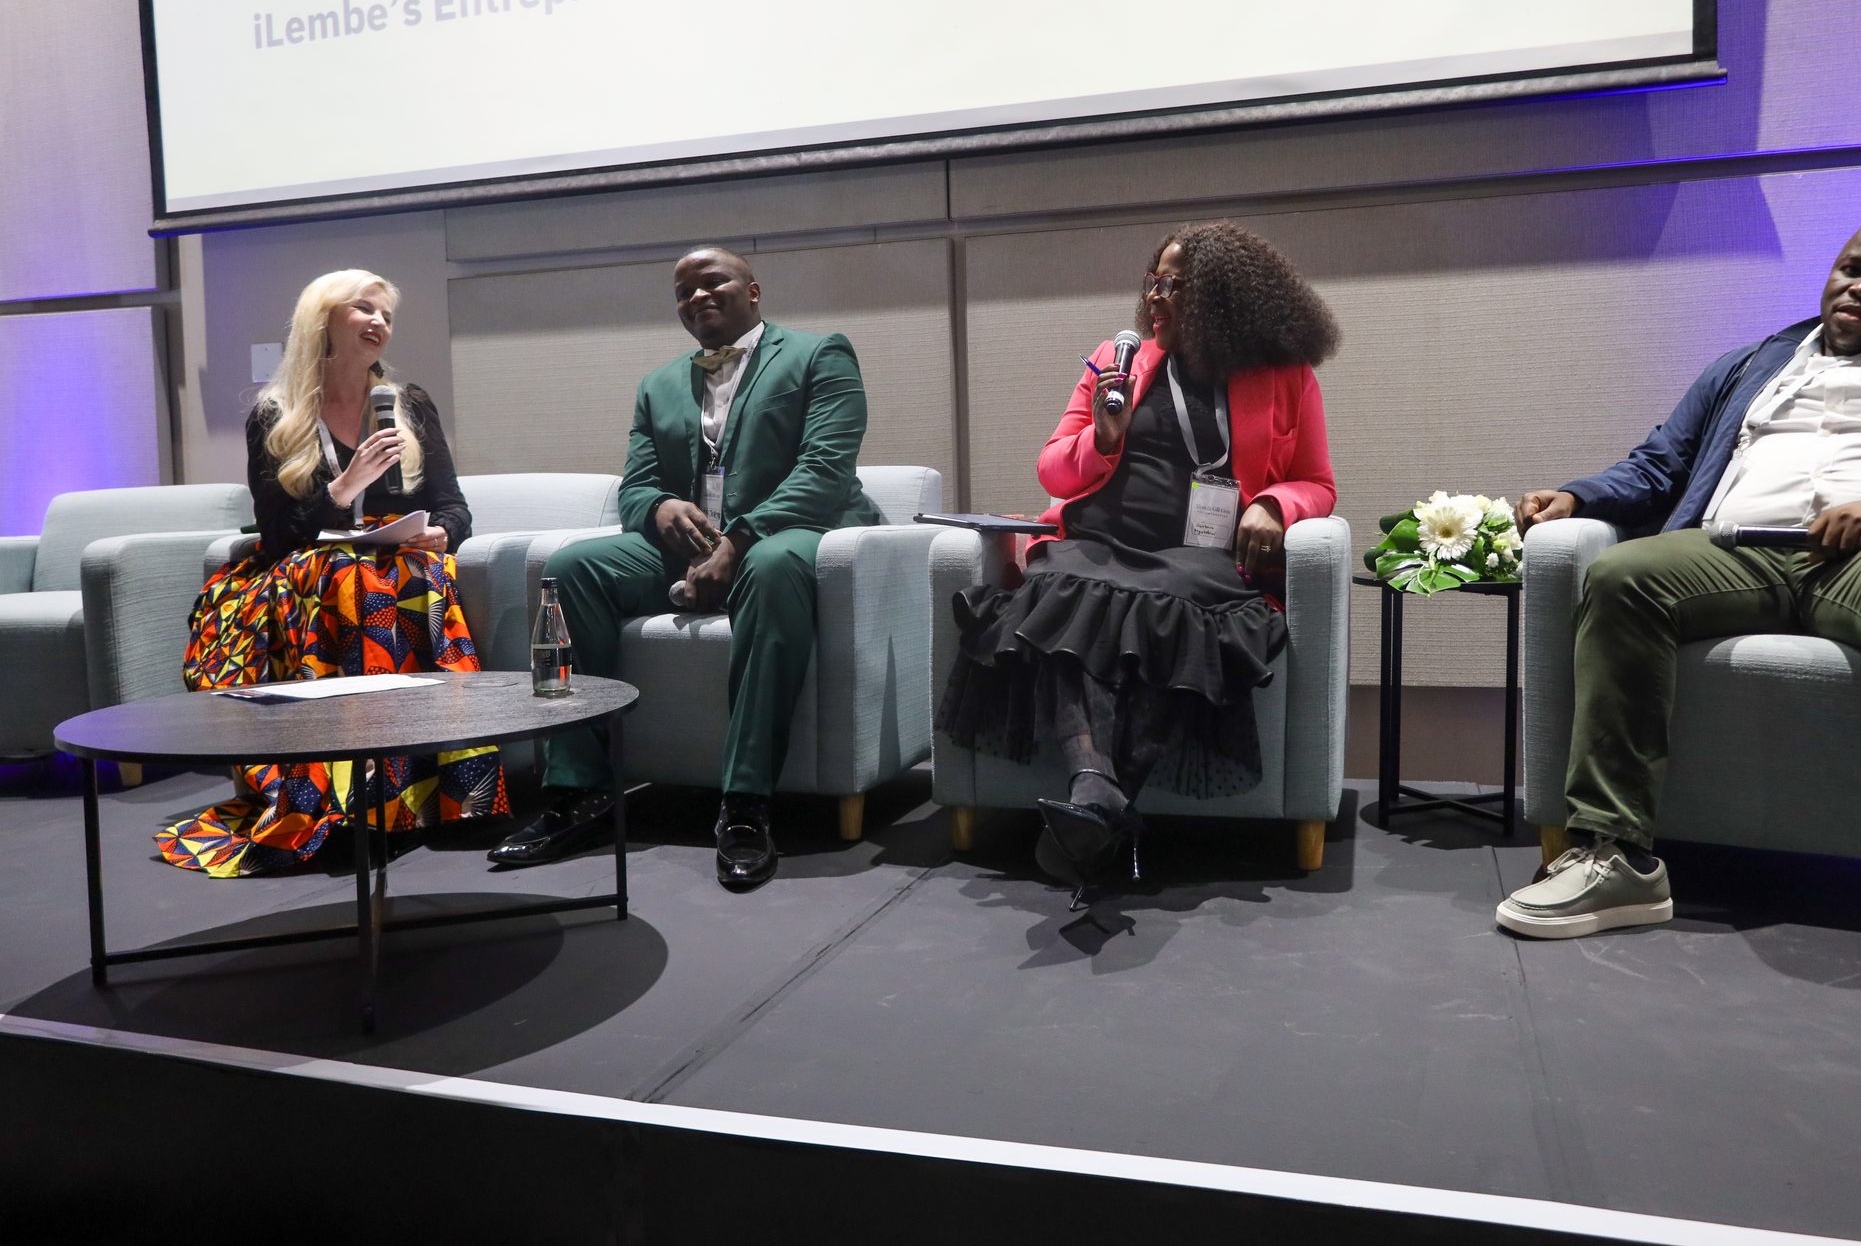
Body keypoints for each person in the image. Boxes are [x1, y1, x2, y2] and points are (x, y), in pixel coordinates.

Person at [1498, 213, 1861, 1010]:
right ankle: (1616, 856)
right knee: (1622, 575)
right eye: (1854, 267)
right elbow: (1661, 462)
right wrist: (1579, 495)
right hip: (1735, 549)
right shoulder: (1751, 364)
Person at [937, 222, 1339, 903]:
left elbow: (1318, 482)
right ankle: (1097, 794)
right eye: (1153, 280)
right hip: (1097, 544)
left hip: (1200, 561)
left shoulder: (1283, 374)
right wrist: (1102, 436)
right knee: (1063, 586)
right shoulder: (1115, 363)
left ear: (1222, 296)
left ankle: (1093, 806)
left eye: (1175, 284)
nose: (1155, 295)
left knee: (1167, 610)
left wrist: (1275, 504)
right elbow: (1053, 469)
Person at [484, 245, 881, 889]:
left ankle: (745, 804)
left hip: (789, 534)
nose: (696, 296)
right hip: (689, 545)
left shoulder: (818, 354)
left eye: (712, 281)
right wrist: (660, 506)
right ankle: (578, 790)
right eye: (682, 291)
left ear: (753, 291)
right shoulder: (659, 384)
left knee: (770, 566)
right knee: (571, 568)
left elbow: (825, 469)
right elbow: (636, 486)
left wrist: (740, 538)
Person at [160, 269, 509, 876]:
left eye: (387, 315)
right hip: (307, 570)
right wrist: (344, 488)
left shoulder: (407, 405)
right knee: (353, 581)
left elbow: (454, 507)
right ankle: (356, 805)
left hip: (395, 563)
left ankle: (453, 796)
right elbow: (277, 532)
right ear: (324, 319)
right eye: (364, 309)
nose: (379, 322)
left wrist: (441, 533)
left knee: (408, 580)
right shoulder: (276, 413)